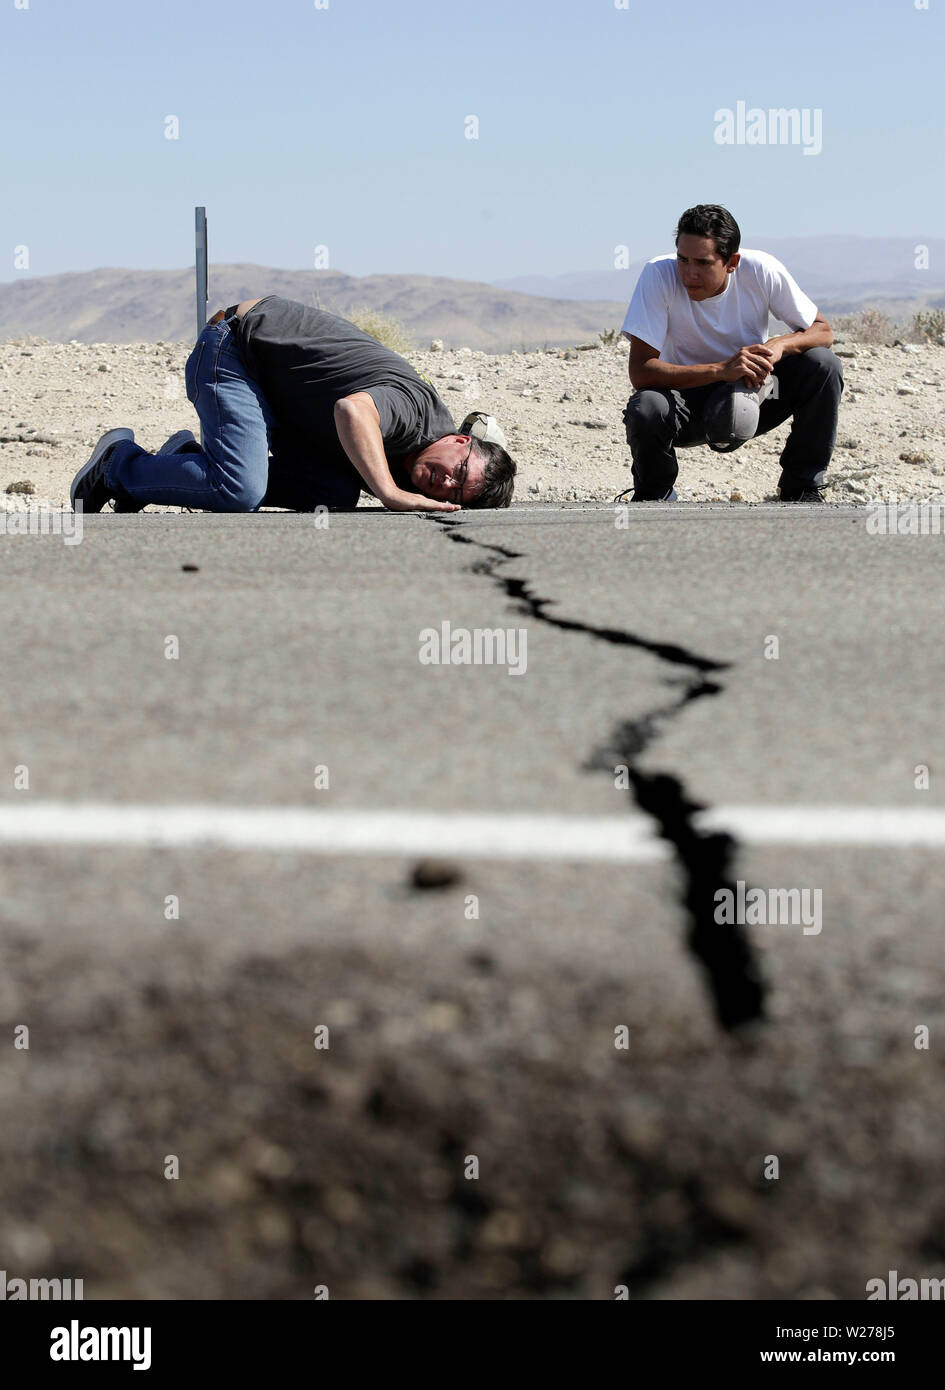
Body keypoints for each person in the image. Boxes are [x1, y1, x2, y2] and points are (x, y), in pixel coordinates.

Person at [70, 297, 516, 514]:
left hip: (286, 402)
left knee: (333, 496)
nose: (445, 483)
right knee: (237, 492)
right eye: (459, 471)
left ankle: (183, 463)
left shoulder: (422, 457)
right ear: (460, 439)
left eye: (455, 494)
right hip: (236, 349)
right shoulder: (414, 413)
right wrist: (389, 494)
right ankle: (117, 463)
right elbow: (352, 411)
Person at [618, 204, 842, 503]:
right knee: (647, 406)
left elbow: (823, 331)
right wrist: (722, 369)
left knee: (823, 365)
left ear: (732, 262)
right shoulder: (658, 274)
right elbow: (641, 372)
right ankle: (654, 496)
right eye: (683, 260)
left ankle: (801, 488)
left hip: (756, 394)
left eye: (703, 263)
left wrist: (780, 345)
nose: (689, 273)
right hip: (686, 402)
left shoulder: (761, 269)